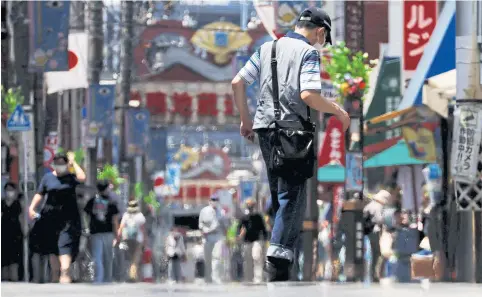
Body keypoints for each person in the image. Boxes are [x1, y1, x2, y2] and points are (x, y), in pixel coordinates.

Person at [231, 7, 349, 281]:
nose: (320, 42)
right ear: (320, 31)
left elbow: (237, 82)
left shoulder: (266, 48)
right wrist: (338, 110)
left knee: (279, 192)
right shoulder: (308, 53)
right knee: (291, 194)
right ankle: (279, 257)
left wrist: (245, 120)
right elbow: (308, 94)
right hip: (293, 131)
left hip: (264, 129)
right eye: (323, 37)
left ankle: (280, 258)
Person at [28, 152, 86, 283]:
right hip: (50, 217)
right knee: (52, 247)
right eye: (57, 163)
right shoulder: (47, 178)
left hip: (69, 218)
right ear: (53, 164)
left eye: (62, 163)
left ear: (66, 165)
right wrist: (32, 208)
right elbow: (40, 194)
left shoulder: (71, 177)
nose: (59, 166)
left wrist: (73, 162)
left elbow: (82, 177)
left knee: (65, 244)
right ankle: (55, 275)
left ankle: (65, 273)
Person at [84, 180, 120, 283]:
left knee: (97, 256)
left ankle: (98, 278)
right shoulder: (112, 202)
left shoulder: (92, 201)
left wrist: (87, 228)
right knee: (108, 257)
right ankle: (108, 278)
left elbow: (86, 215)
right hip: (108, 233)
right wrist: (117, 235)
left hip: (95, 233)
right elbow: (115, 221)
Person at [237, 199, 268, 283]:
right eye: (248, 205)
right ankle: (248, 278)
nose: (250, 207)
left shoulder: (258, 216)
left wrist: (265, 240)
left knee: (256, 257)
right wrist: (239, 236)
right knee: (247, 260)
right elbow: (239, 228)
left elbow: (264, 229)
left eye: (251, 205)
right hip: (247, 241)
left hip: (257, 240)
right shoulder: (244, 217)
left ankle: (258, 278)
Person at [363, 189, 391, 282]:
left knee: (372, 252)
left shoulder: (369, 205)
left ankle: (371, 273)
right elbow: (379, 219)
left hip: (367, 231)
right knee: (377, 252)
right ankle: (374, 274)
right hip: (374, 231)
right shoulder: (378, 206)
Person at [117, 200, 147, 282]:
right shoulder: (140, 216)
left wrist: (118, 238)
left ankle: (129, 275)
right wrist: (145, 241)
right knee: (135, 259)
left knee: (129, 258)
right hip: (138, 240)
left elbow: (121, 227)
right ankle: (132, 276)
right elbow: (143, 229)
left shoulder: (126, 215)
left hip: (126, 239)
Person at [1, 182, 24, 281]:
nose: (9, 192)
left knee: (15, 256)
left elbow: (22, 217)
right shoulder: (1, 203)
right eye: (7, 190)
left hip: (16, 232)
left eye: (11, 190)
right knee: (4, 256)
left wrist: (25, 229)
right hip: (3, 232)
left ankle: (14, 277)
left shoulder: (18, 203)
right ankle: (4, 277)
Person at [198, 194, 223, 283]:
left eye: (216, 199)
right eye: (213, 199)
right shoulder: (204, 211)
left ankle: (216, 277)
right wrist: (204, 231)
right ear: (209, 201)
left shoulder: (221, 211)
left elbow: (224, 224)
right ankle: (208, 278)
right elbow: (200, 224)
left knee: (217, 257)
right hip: (207, 237)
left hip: (217, 236)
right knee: (207, 258)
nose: (214, 201)